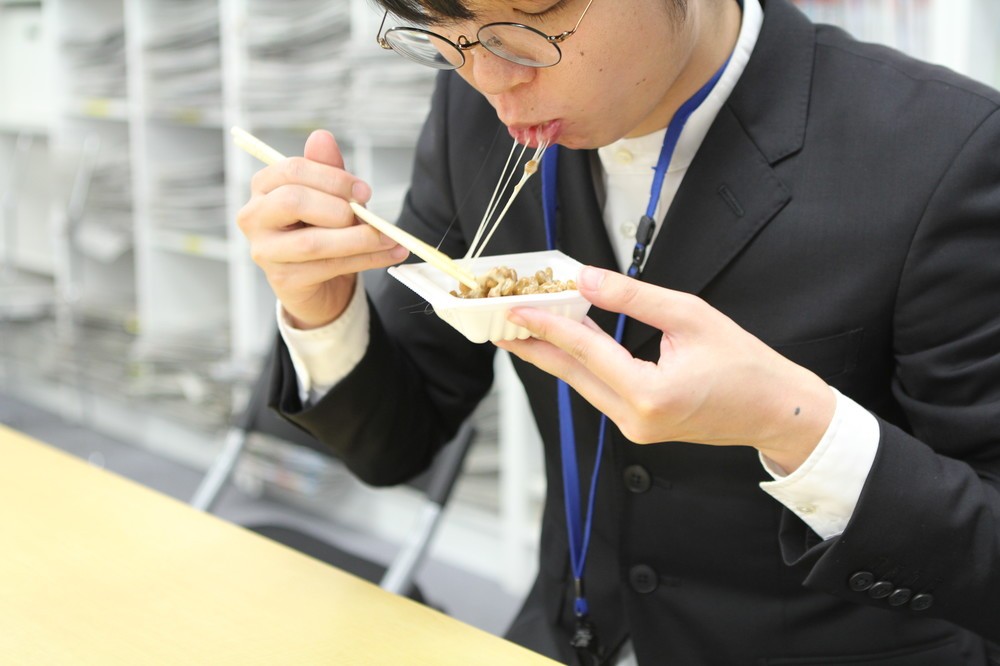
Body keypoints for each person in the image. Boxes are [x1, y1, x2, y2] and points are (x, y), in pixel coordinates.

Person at [236, 0, 1000, 663]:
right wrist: (323, 308)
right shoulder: (476, 112)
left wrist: (793, 424)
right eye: (445, 35)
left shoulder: (943, 148)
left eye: (521, 30)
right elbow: (397, 442)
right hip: (567, 633)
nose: (493, 81)